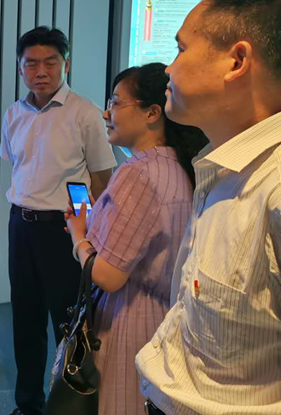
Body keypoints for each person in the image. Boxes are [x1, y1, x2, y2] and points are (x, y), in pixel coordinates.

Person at [136, 0, 281, 415]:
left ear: (236, 61)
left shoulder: (276, 188)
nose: (168, 68)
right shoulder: (221, 168)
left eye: (181, 49)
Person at [64, 63, 208, 415]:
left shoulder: (137, 173)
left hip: (127, 321)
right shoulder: (178, 165)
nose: (106, 113)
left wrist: (79, 236)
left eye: (116, 102)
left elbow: (108, 275)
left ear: (152, 113)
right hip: (163, 317)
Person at [0, 26, 117, 415]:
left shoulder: (84, 112)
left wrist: (91, 232)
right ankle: (28, 404)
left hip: (65, 230)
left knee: (69, 323)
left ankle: (69, 407)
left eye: (50, 62)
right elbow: (19, 168)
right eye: (31, 63)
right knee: (25, 319)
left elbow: (101, 180)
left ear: (66, 64)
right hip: (21, 225)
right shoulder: (13, 113)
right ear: (20, 68)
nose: (41, 71)